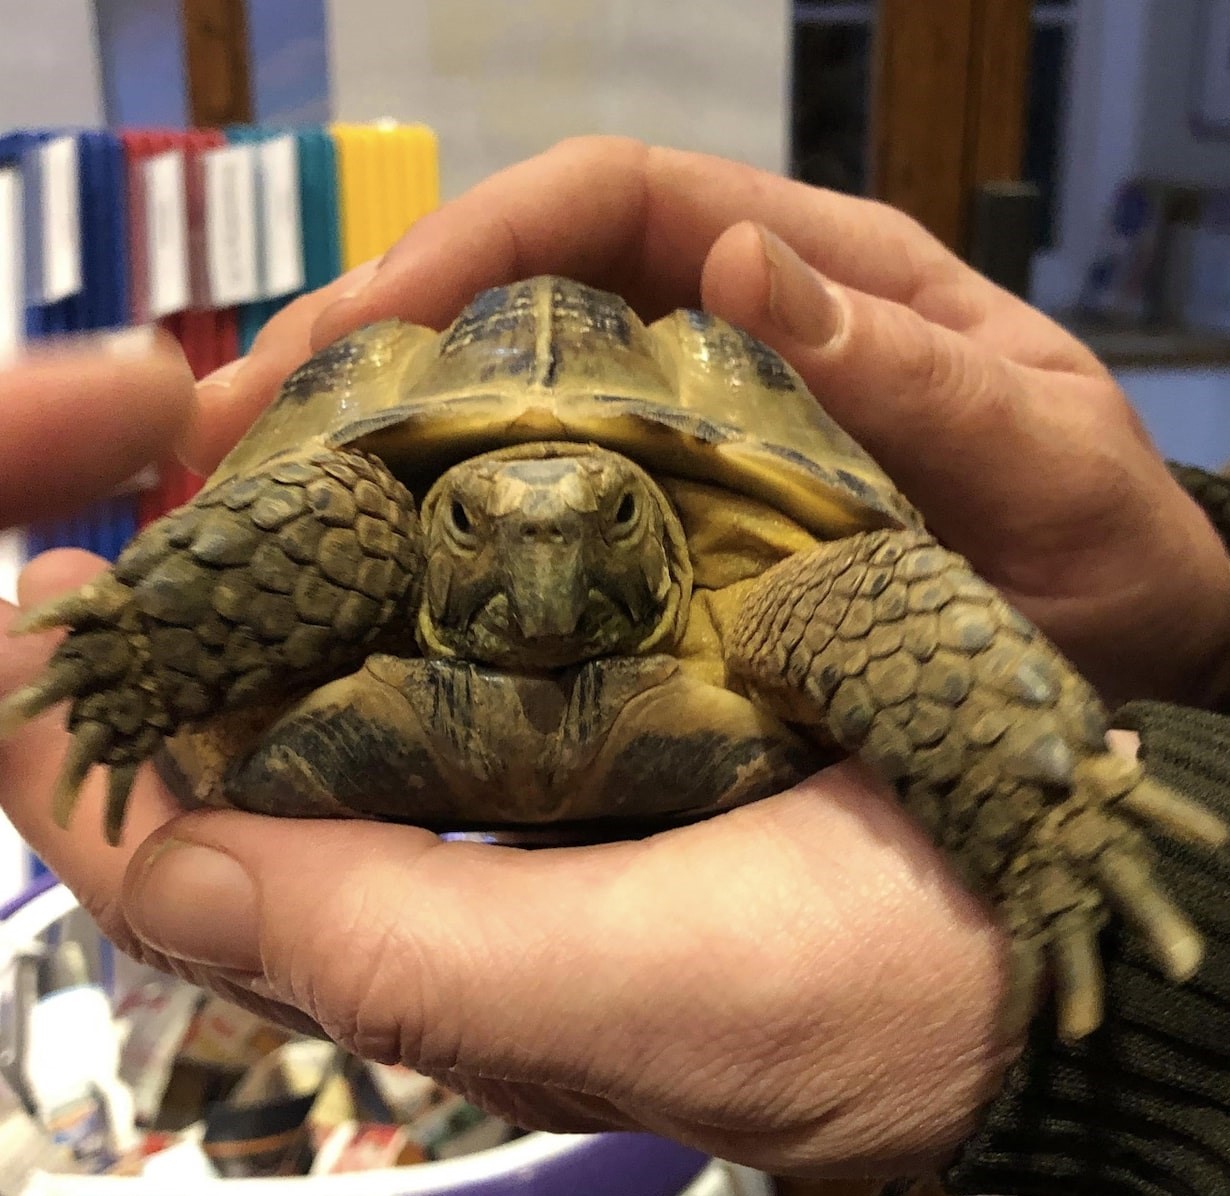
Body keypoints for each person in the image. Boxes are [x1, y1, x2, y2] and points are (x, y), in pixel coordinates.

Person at [3, 137, 1230, 1194]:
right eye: (474, 524)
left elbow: (897, 607)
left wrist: (1060, 858)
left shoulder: (781, 588)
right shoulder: (359, 525)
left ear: (660, 524)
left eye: (614, 518)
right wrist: (143, 654)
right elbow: (267, 550)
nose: (546, 536)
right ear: (433, 529)